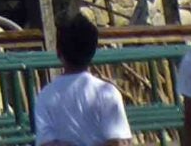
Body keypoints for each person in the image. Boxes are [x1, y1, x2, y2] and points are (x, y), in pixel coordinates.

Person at [32, 15, 131, 144]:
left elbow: (46, 143)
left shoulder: (45, 96)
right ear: (93, 50)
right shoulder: (107, 93)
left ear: (58, 52)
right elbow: (118, 141)